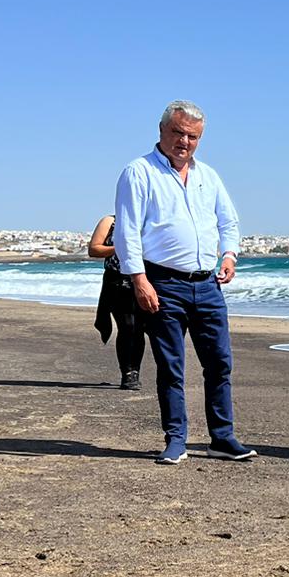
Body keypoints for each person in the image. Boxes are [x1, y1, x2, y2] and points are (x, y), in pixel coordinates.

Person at [113, 100, 255, 466]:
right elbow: (128, 231)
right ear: (162, 131)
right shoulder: (139, 172)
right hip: (163, 283)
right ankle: (176, 438)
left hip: (208, 285)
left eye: (192, 136)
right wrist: (139, 279)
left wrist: (229, 255)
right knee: (171, 366)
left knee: (219, 363)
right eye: (178, 132)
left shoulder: (209, 176)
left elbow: (229, 221)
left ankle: (222, 438)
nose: (184, 141)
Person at [89, 214, 147, 390]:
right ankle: (129, 373)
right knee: (128, 326)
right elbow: (94, 249)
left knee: (142, 328)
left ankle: (140, 370)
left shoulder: (153, 218)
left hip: (150, 280)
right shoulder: (111, 221)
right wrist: (121, 249)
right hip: (117, 281)